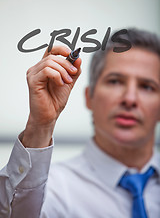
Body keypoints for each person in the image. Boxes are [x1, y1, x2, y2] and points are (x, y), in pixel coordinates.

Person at [0, 28, 160, 218]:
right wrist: (40, 125)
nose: (130, 99)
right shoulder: (49, 192)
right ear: (88, 97)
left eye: (147, 87)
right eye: (115, 81)